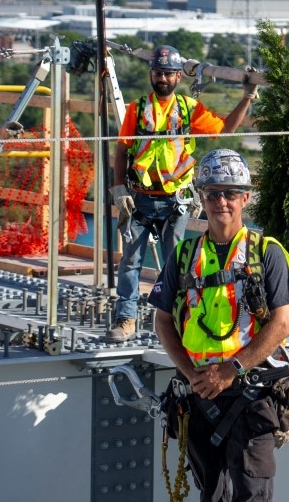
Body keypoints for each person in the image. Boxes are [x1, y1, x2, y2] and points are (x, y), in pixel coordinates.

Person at [151, 147, 289, 502]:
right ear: (201, 197)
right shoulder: (184, 256)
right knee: (211, 490)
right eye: (213, 193)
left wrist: (232, 369)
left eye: (231, 193)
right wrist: (190, 373)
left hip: (251, 392)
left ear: (245, 198)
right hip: (200, 393)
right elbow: (164, 321)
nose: (222, 202)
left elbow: (281, 323)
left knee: (251, 492)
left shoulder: (266, 253)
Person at [107, 45, 257, 343]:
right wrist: (119, 189)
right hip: (139, 197)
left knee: (176, 263)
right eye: (157, 72)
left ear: (178, 77)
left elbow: (224, 131)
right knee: (130, 261)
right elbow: (122, 150)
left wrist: (247, 98)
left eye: (167, 73)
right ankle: (126, 318)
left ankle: (177, 318)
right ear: (151, 74)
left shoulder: (189, 109)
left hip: (174, 200)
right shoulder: (137, 109)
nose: (162, 78)